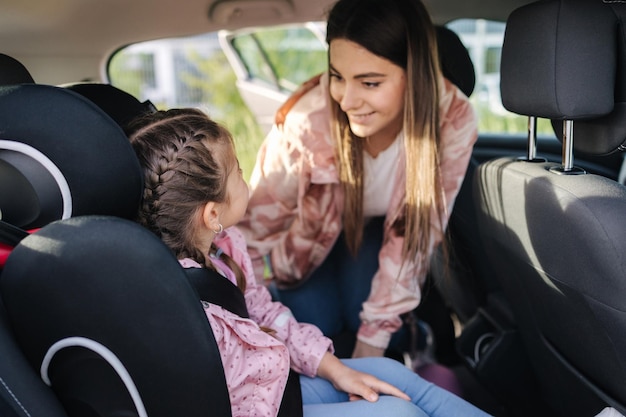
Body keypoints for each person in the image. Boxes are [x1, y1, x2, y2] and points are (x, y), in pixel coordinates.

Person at [126, 108, 491, 417]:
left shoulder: (226, 249)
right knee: (400, 411)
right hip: (256, 408)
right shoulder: (182, 305)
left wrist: (335, 370)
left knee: (396, 376)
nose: (244, 174)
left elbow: (264, 314)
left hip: (278, 384)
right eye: (237, 170)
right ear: (211, 213)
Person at [237, 0, 478, 359]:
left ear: (415, 75)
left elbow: (417, 232)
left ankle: (416, 338)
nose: (347, 100)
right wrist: (252, 322)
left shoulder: (453, 117)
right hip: (303, 246)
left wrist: (370, 355)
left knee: (378, 331)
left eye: (369, 82)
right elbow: (250, 235)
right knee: (317, 325)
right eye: (337, 76)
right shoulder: (307, 121)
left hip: (380, 232)